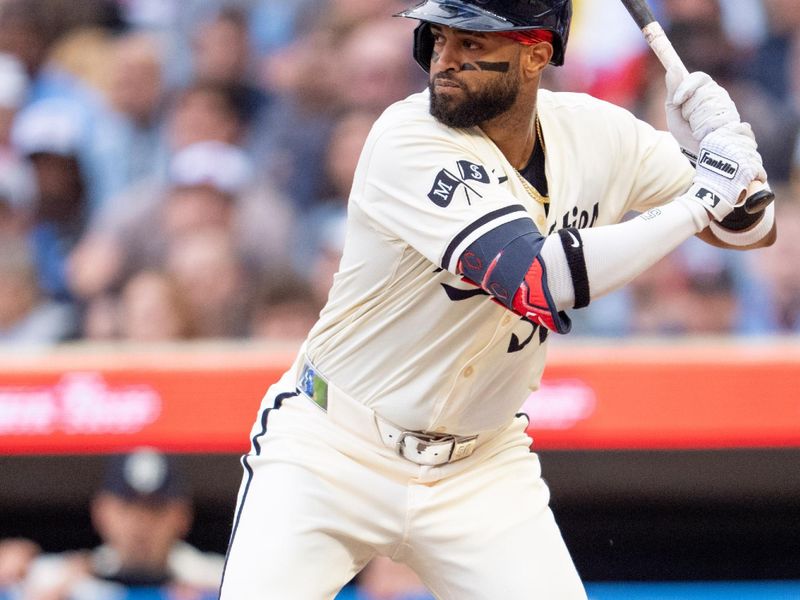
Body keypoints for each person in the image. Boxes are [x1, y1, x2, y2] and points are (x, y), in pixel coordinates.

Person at [219, 1, 774, 598]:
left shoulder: (598, 133)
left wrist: (729, 161)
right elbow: (540, 278)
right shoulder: (406, 138)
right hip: (333, 449)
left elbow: (748, 229)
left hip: (479, 467)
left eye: (473, 43)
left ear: (536, 53)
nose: (446, 60)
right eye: (439, 38)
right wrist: (699, 196)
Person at [10, 447, 224, 599]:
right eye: (128, 507)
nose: (141, 523)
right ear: (102, 511)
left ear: (182, 515)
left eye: (155, 508)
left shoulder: (217, 578)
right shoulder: (65, 576)